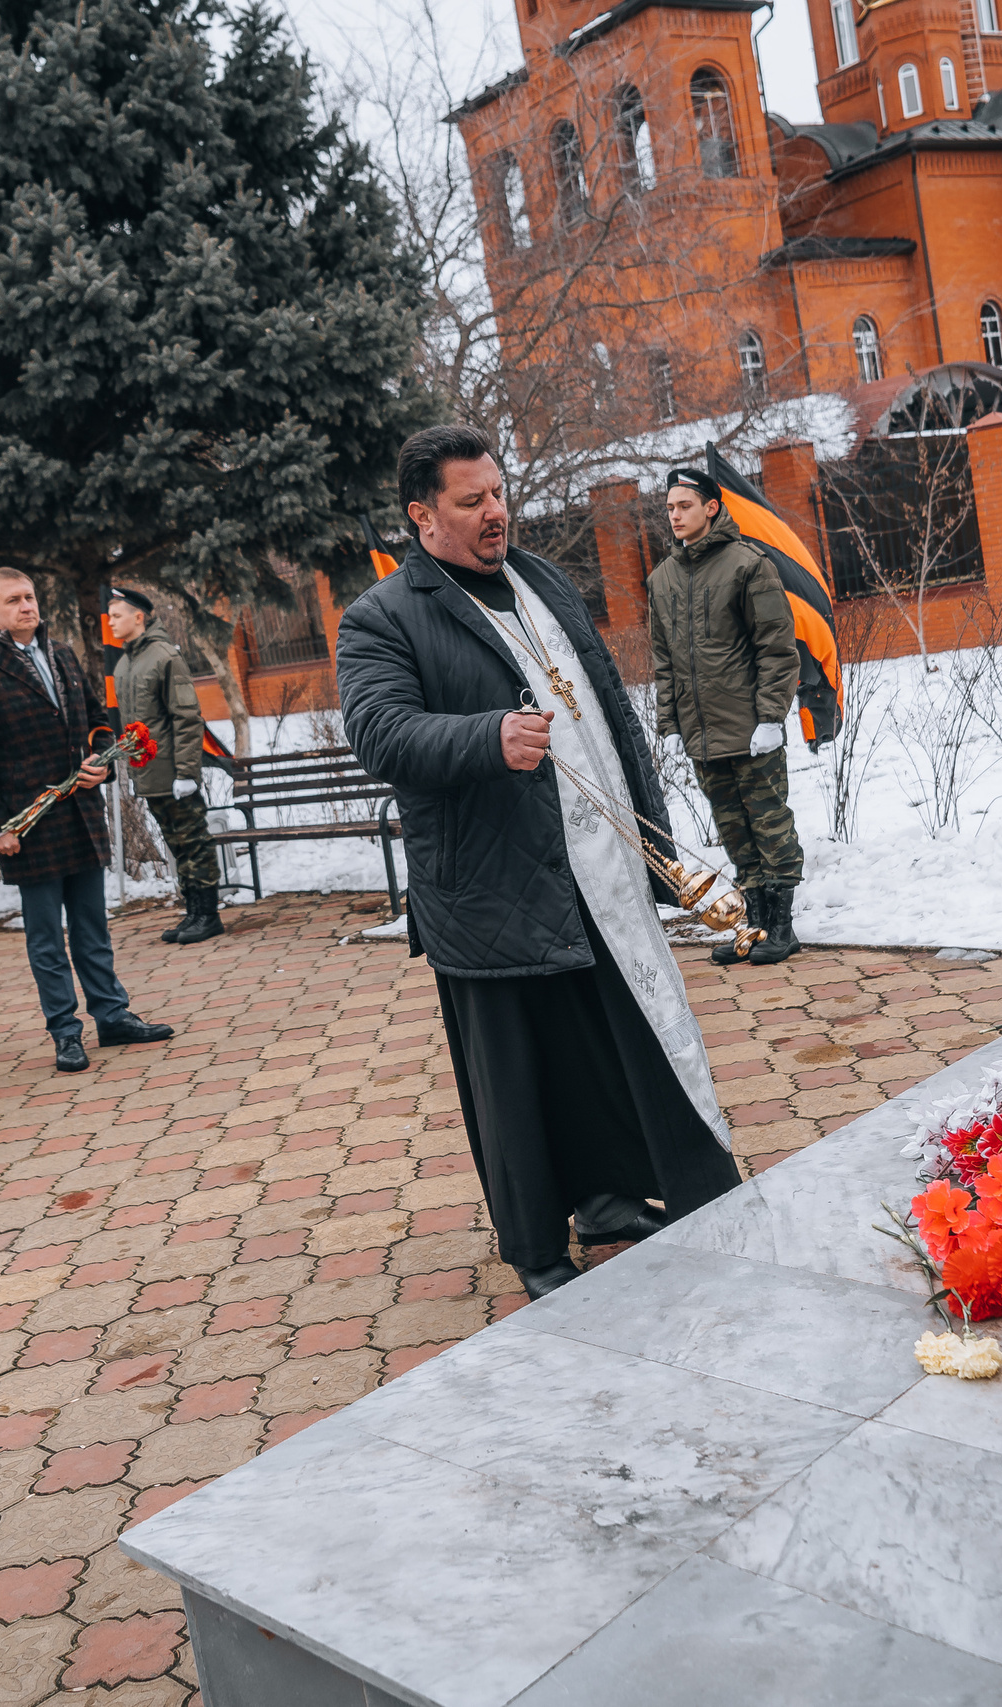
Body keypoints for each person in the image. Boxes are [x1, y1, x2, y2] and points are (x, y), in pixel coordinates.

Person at [337, 424, 744, 1301]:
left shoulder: (540, 578)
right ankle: (536, 1245)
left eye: (497, 492)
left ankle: (606, 1200)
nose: (495, 512)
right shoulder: (383, 615)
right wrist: (483, 735)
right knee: (518, 1073)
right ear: (422, 515)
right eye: (471, 500)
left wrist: (653, 833)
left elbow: (600, 704)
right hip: (488, 888)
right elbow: (377, 729)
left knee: (600, 1045)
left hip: (593, 865)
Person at [0, 570, 173, 1072]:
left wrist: (101, 759)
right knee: (47, 937)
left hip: (79, 811)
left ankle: (112, 1016)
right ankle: (65, 1032)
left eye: (29, 597)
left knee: (93, 926)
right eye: (13, 600)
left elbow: (96, 719)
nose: (26, 606)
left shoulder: (62, 653)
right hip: (28, 825)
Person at [647, 467, 803, 967]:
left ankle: (781, 927)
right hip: (702, 734)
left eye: (683, 506)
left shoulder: (748, 565)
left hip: (751, 728)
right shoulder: (662, 578)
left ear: (710, 507)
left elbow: (776, 648)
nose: (673, 515)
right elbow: (664, 661)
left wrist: (771, 717)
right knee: (734, 831)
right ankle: (752, 925)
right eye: (669, 507)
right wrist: (669, 725)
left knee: (770, 826)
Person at [108, 587, 218, 943]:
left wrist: (187, 773)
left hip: (173, 773)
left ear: (138, 617)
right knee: (177, 845)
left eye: (117, 615)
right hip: (149, 773)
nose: (110, 621)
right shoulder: (125, 662)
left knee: (194, 842)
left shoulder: (163, 656)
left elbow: (186, 717)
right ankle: (193, 913)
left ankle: (209, 914)